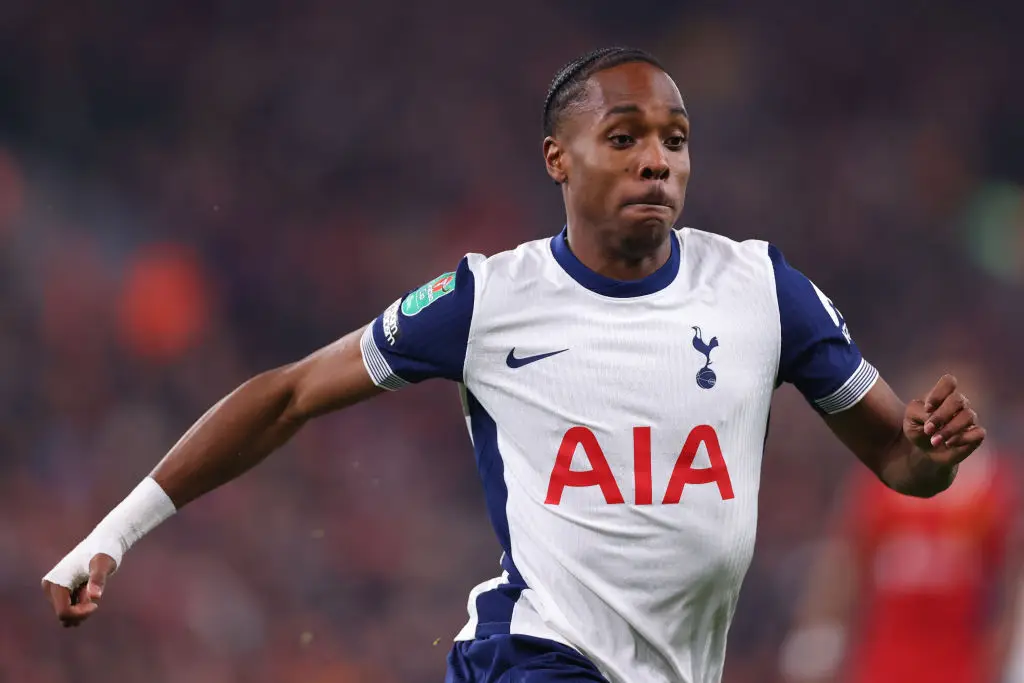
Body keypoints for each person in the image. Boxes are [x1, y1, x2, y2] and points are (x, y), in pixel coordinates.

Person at [41, 47, 988, 683]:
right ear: (558, 160)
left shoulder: (762, 287)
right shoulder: (489, 298)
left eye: (675, 140)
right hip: (533, 657)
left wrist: (934, 452)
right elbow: (287, 394)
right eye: (624, 138)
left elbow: (902, 463)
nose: (656, 159)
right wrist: (114, 534)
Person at [779, 363, 1020, 683]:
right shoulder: (880, 486)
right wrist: (820, 630)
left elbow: (1011, 582)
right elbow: (846, 563)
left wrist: (1007, 654)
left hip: (963, 668)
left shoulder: (996, 491)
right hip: (882, 666)